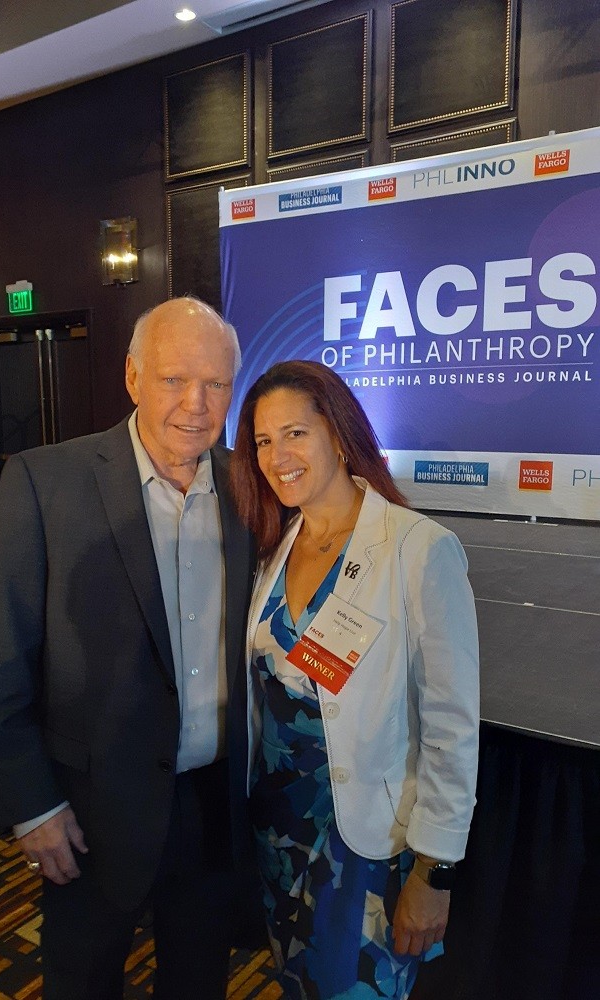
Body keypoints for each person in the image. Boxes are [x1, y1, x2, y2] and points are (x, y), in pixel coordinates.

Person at [0, 297, 257, 1000]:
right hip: (92, 813)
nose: (197, 403)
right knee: (83, 982)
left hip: (217, 806)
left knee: (199, 983)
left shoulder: (252, 486)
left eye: (217, 384)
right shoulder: (44, 481)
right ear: (132, 378)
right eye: (173, 380)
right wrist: (32, 806)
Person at [230, 360, 480, 1000]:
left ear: (339, 437)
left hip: (366, 845)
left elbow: (451, 728)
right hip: (280, 833)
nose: (277, 455)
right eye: (262, 440)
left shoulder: (417, 548)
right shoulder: (276, 545)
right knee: (295, 983)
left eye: (295, 433)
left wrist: (435, 870)